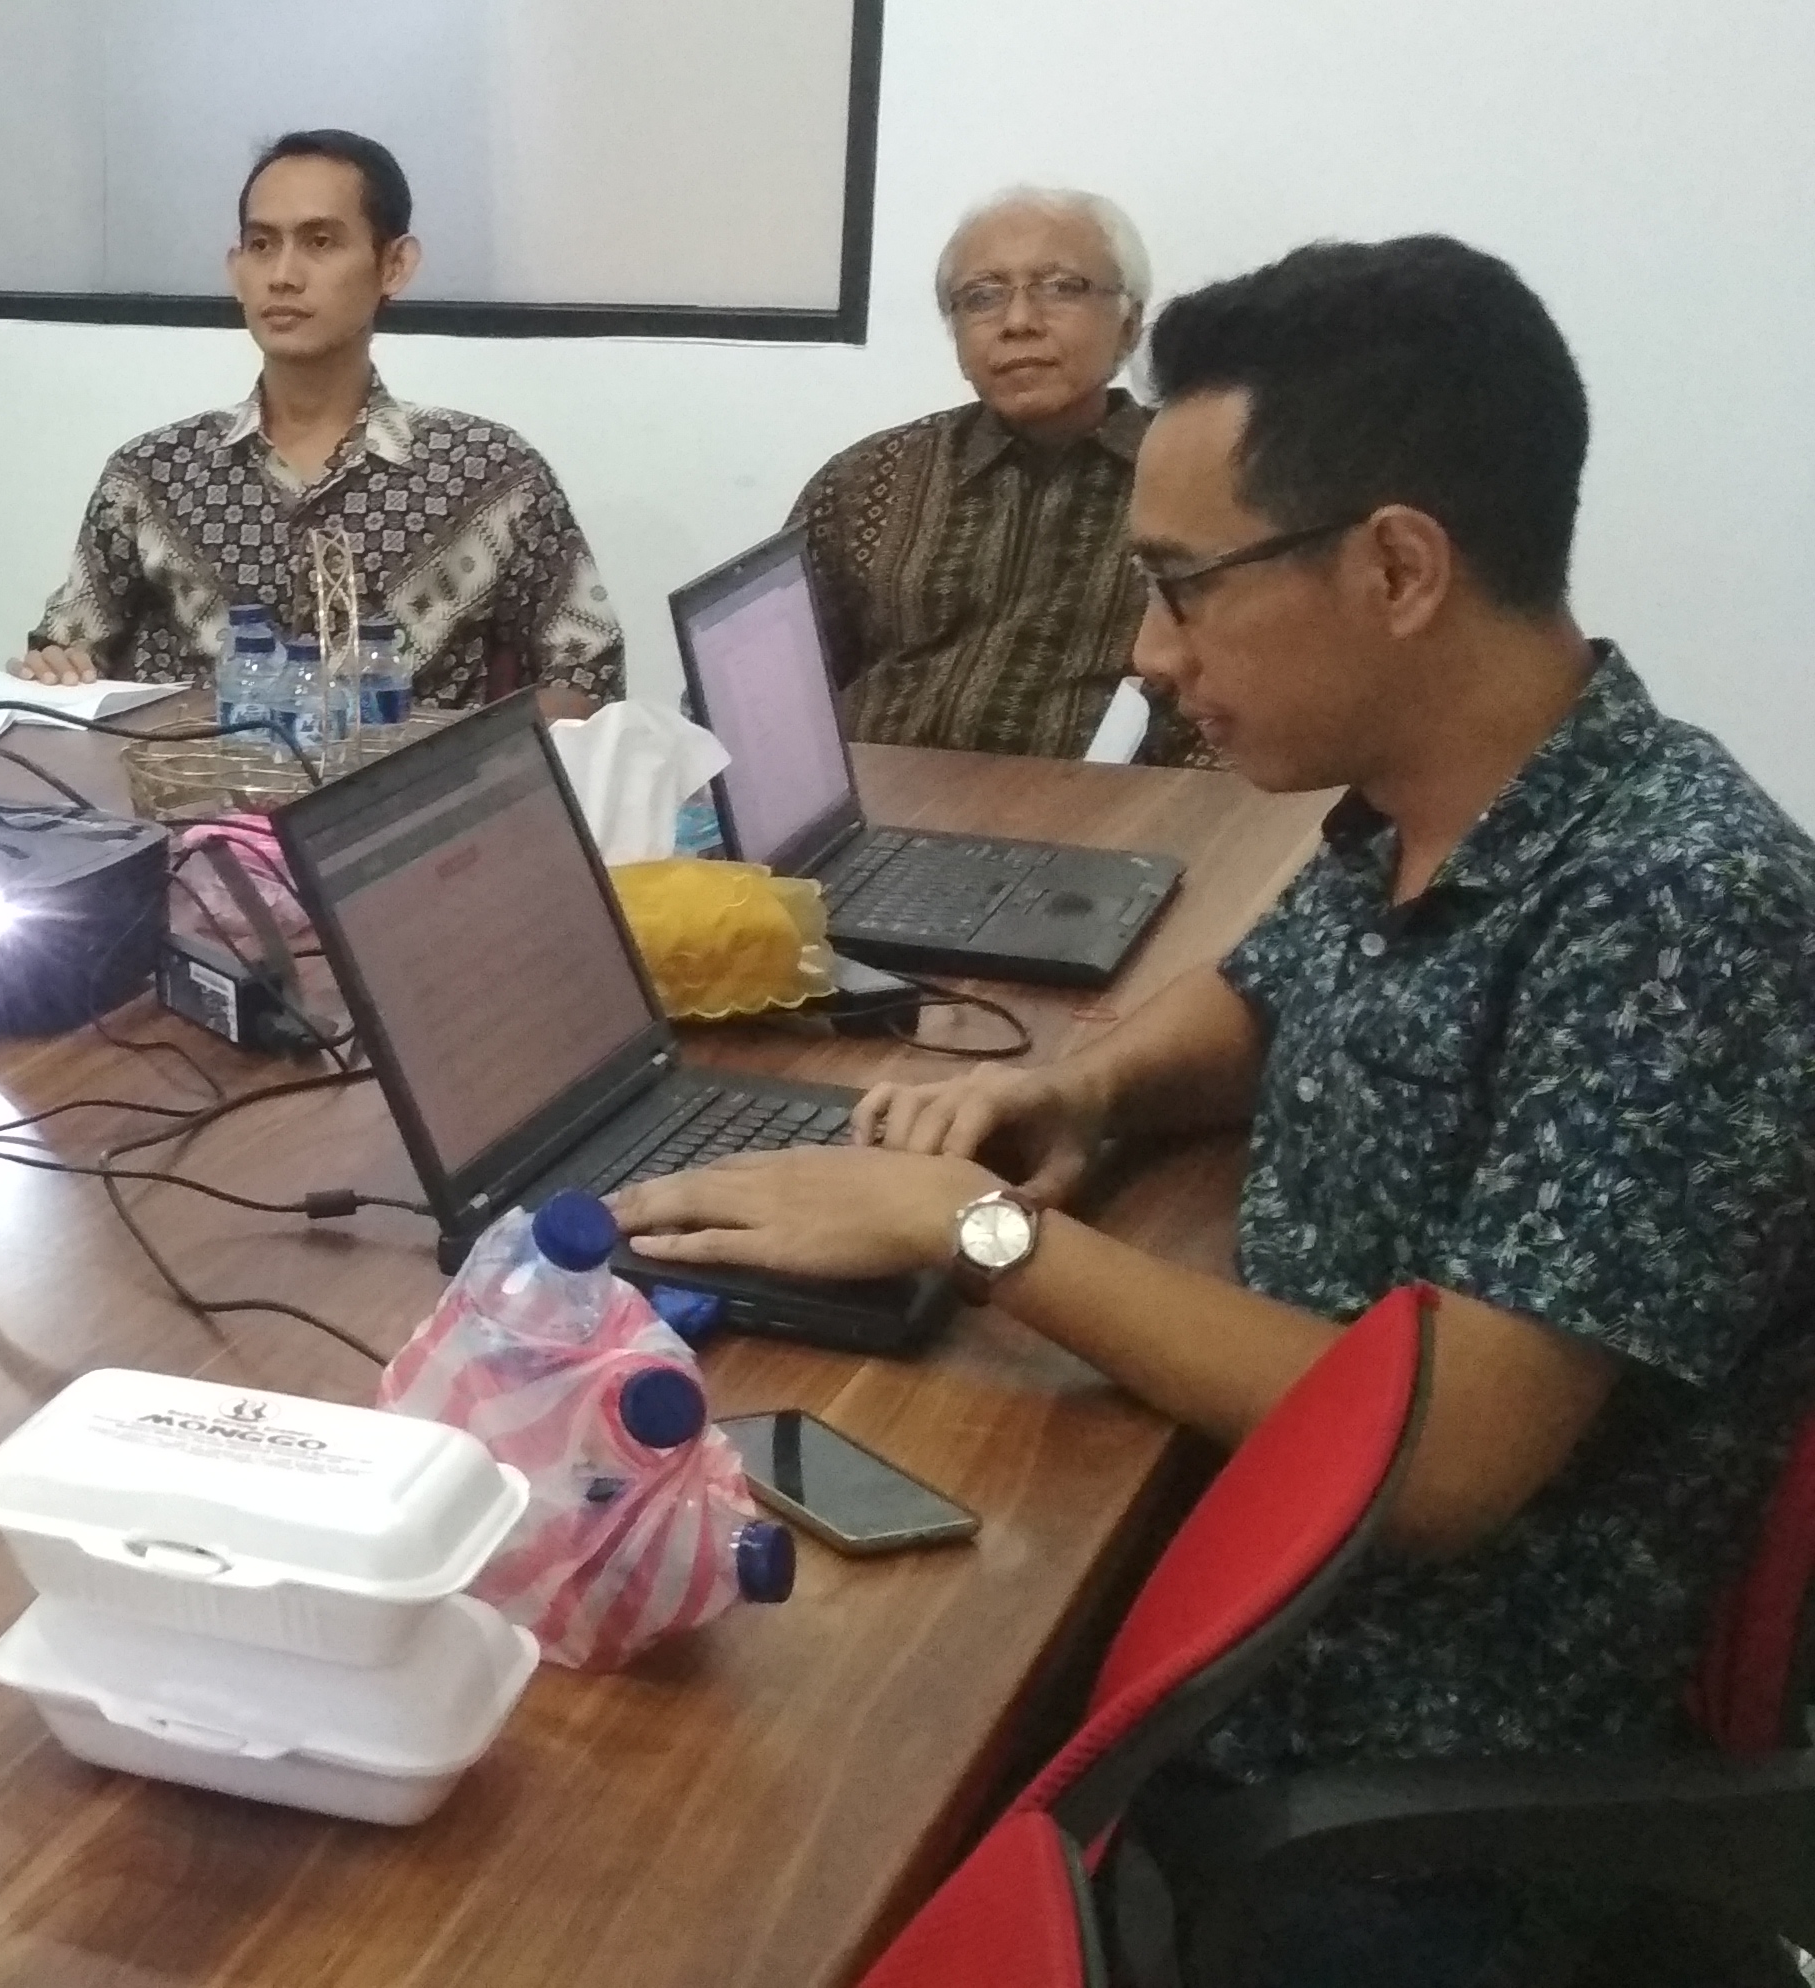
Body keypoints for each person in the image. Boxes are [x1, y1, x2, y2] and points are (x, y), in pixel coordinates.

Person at [617, 236, 1815, 1986]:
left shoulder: (1679, 904)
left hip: (1390, 1777)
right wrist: (1079, 1085)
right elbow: (1267, 998)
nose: (1149, 652)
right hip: (1233, 1596)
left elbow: (1444, 1460)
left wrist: (980, 1232)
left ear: (1396, 568)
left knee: (730, 1809)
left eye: (1184, 589)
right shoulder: (1438, 799)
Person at [14, 129, 622, 717]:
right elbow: (65, 655)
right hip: (187, 781)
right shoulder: (152, 476)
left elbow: (588, 676)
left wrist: (471, 758)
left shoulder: (488, 474)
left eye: (321, 242)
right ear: (236, 269)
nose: (283, 275)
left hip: (407, 784)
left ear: (394, 265)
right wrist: (55, 671)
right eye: (261, 245)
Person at [785, 185, 1202, 761]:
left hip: (1107, 804)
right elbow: (771, 680)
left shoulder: (1198, 479)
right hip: (879, 793)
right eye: (982, 297)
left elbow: (1260, 695)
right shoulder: (867, 478)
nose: (1018, 321)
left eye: (1061, 287)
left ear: (1128, 325)